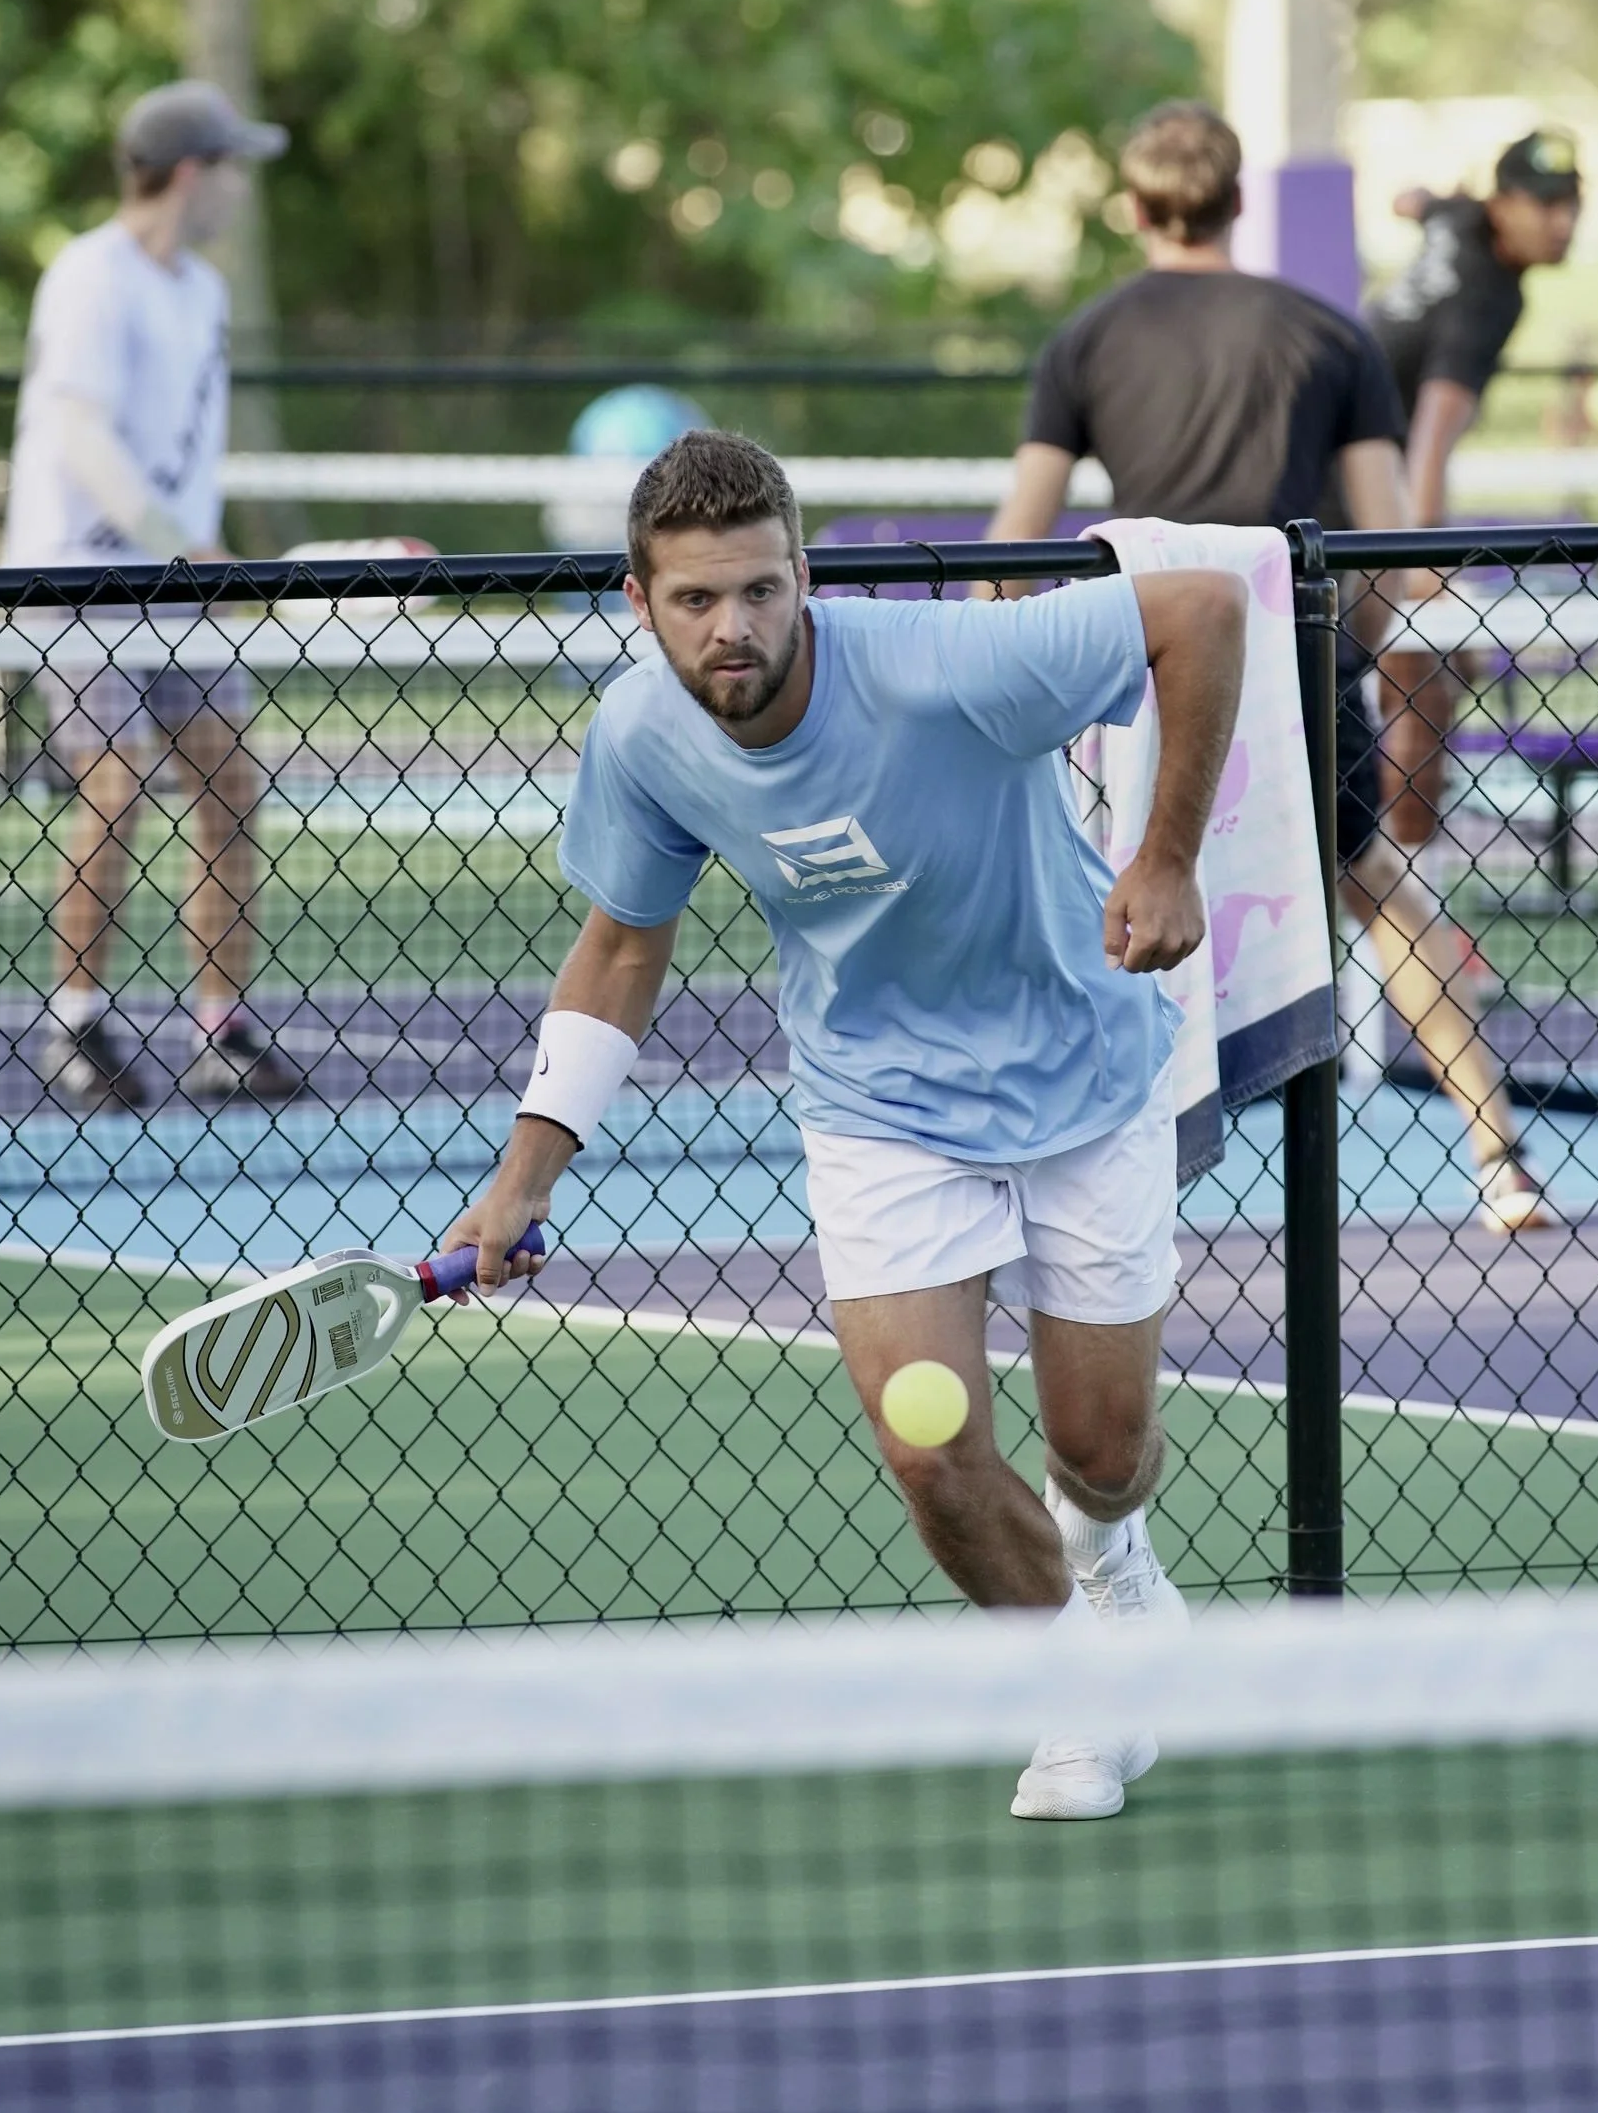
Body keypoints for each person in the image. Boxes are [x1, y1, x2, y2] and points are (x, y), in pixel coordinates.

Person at [441, 428, 1250, 1821]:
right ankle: (1072, 1699)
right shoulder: (641, 737)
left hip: (1083, 1074)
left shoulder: (945, 669)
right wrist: (522, 1176)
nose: (732, 625)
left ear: (802, 576)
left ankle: (1110, 1558)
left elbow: (1204, 612)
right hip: (880, 1112)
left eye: (760, 589)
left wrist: (1164, 856)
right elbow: (623, 948)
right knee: (928, 1448)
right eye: (694, 600)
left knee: (1100, 1453)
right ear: (639, 607)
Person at [983, 97, 1549, 1235]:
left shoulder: (1085, 341)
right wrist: (1361, 646)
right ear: (1239, 203)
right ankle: (1497, 1156)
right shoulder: (1325, 334)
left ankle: (1045, 1175)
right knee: (1380, 889)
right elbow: (1388, 540)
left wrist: (997, 664)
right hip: (1290, 654)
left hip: (1132, 666)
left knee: (1084, 898)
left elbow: (1013, 548)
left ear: (1135, 208)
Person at [3, 78, 306, 1117]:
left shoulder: (202, 293)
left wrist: (196, 557)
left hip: (174, 590)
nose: (237, 191)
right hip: (72, 576)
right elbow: (80, 434)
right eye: (230, 168)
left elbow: (189, 450)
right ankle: (77, 1024)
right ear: (191, 172)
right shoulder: (88, 276)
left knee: (229, 784)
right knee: (114, 788)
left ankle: (220, 1028)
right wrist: (182, 543)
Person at [1364, 128, 1584, 852]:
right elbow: (1430, 434)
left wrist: (1419, 202)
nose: (1561, 222)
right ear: (1503, 206)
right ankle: (1398, 913)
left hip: (1351, 474)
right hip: (1356, 492)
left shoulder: (1456, 218)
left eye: (1570, 203)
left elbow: (1415, 201)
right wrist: (1419, 555)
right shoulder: (1490, 296)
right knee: (1421, 685)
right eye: (1543, 204)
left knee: (1449, 665)